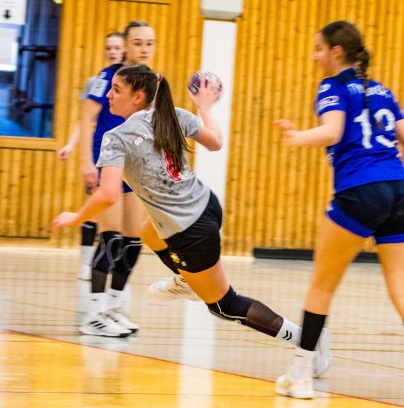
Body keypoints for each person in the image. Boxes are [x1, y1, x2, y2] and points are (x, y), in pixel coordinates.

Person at [52, 63, 331, 376]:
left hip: (190, 233)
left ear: (138, 97)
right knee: (148, 232)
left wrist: (76, 217)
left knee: (225, 305)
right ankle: (185, 280)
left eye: (116, 90)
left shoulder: (116, 138)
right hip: (207, 206)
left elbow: (107, 195)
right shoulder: (173, 115)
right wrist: (205, 108)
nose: (108, 95)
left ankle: (307, 339)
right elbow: (215, 142)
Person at [273, 20, 404, 407]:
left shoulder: (332, 86)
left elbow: (332, 131)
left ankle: (302, 377)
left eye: (319, 49)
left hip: (360, 191)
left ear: (336, 52)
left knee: (322, 287)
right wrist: (394, 173)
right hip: (401, 191)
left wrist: (296, 137)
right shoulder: (382, 90)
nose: (315, 57)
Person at [76, 21, 155, 337]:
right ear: (126, 46)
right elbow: (86, 119)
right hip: (106, 161)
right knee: (110, 239)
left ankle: (113, 307)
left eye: (149, 43)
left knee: (133, 242)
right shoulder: (108, 77)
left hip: (133, 166)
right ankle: (93, 314)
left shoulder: (152, 81)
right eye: (138, 43)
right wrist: (86, 162)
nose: (144, 49)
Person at [58, 31, 125, 281]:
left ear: (124, 50)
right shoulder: (97, 81)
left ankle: (110, 266)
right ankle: (87, 264)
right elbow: (85, 118)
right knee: (95, 209)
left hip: (124, 155)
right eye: (108, 47)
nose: (112, 51)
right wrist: (71, 145)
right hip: (101, 152)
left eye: (116, 47)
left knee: (114, 217)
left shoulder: (130, 80)